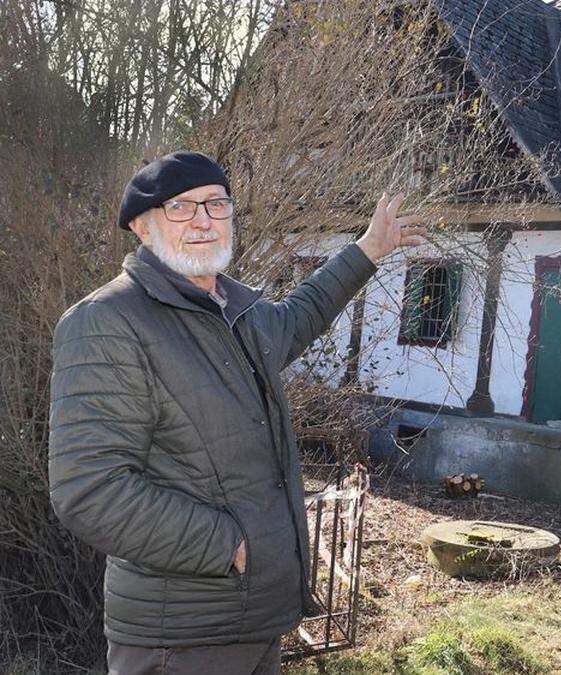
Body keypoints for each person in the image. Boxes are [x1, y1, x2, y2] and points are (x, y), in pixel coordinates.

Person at [47, 151, 425, 674]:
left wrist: (368, 249)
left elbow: (303, 312)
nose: (203, 220)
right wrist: (227, 546)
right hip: (181, 636)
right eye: (181, 207)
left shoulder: (236, 315)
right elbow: (89, 490)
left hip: (256, 622)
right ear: (141, 226)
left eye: (216, 204)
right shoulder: (107, 322)